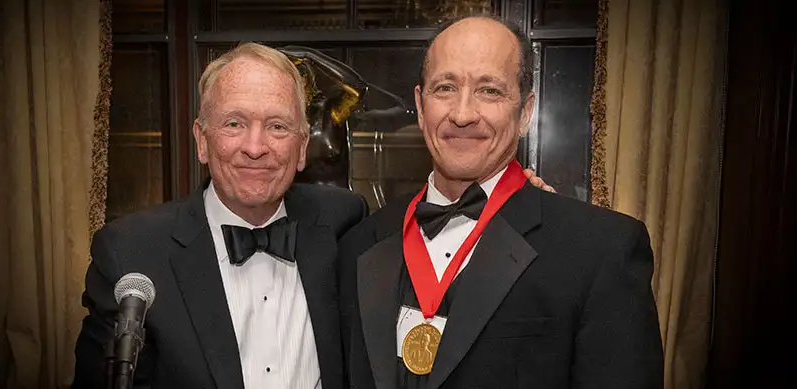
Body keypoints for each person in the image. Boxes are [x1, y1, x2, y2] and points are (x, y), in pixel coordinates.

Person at [339, 16, 664, 389]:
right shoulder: (360, 244)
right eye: (445, 88)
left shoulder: (601, 251)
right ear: (420, 102)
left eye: (489, 91)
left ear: (525, 112)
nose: (462, 114)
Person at [72, 43, 368, 389]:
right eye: (234, 123)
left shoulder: (343, 222)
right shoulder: (131, 254)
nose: (255, 148)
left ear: (301, 147)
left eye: (277, 127)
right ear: (202, 140)